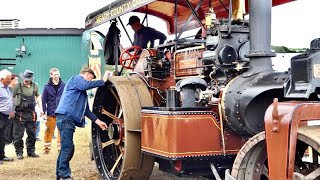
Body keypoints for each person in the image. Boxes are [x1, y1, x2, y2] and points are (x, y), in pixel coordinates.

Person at [55, 67, 110, 180]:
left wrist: (98, 121)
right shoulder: (76, 79)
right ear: (86, 74)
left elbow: (86, 111)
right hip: (66, 118)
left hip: (65, 119)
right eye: (91, 78)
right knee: (68, 147)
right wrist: (103, 81)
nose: (90, 80)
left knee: (67, 147)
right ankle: (65, 175)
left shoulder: (80, 92)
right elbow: (85, 85)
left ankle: (59, 173)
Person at [12, 70, 43, 159]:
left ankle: (31, 151)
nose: (26, 80)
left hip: (31, 113)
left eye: (28, 79)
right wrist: (12, 110)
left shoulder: (35, 85)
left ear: (30, 79)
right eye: (25, 78)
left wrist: (41, 109)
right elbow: (12, 97)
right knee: (18, 134)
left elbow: (38, 97)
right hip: (20, 113)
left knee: (32, 133)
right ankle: (19, 152)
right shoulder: (17, 86)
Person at [42, 68, 65, 154]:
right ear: (51, 75)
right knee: (49, 130)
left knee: (61, 130)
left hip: (61, 112)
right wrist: (43, 112)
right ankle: (47, 148)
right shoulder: (47, 87)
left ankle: (60, 148)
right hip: (51, 112)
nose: (57, 76)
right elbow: (43, 100)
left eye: (58, 74)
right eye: (55, 75)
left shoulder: (64, 85)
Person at [0, 69, 15, 164]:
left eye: (11, 78)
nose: (10, 80)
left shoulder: (6, 88)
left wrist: (11, 111)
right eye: (8, 79)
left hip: (5, 117)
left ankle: (1, 155)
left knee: (2, 137)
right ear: (1, 79)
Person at [4, 74, 18, 145]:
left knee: (15, 126)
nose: (17, 81)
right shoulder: (7, 88)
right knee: (8, 126)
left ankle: (13, 140)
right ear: (11, 80)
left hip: (16, 109)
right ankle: (7, 141)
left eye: (17, 80)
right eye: (15, 79)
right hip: (8, 109)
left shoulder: (17, 88)